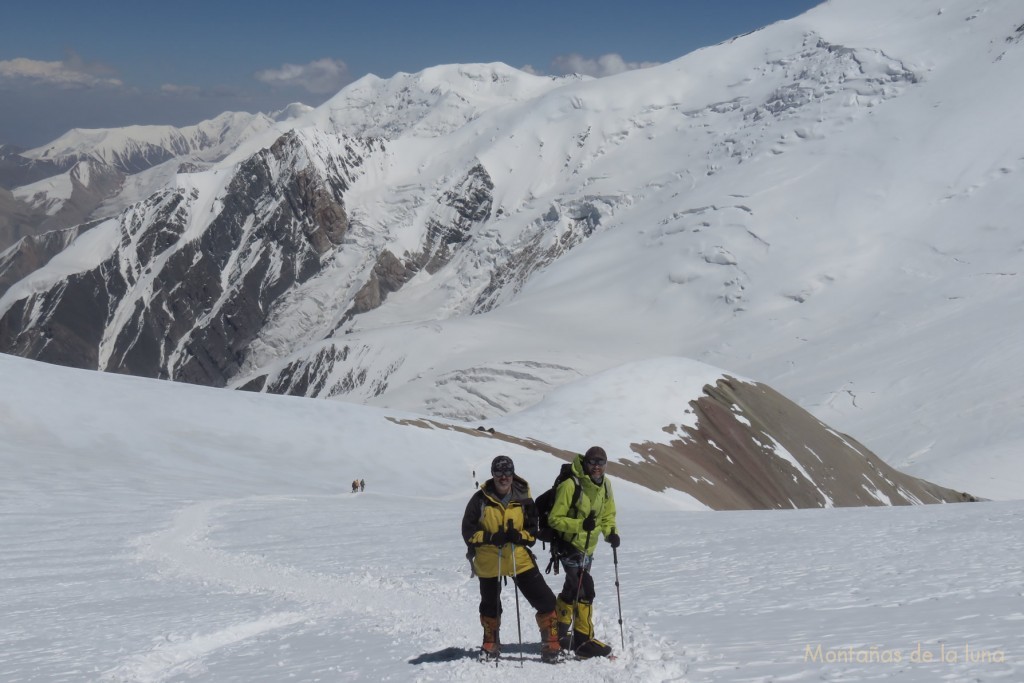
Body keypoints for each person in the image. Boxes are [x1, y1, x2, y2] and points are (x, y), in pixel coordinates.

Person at [461, 455, 561, 662]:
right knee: (490, 605)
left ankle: (550, 641)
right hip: (489, 561)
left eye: (507, 472)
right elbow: (468, 532)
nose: (504, 477)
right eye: (499, 472)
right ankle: (491, 641)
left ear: (513, 473)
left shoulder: (524, 499)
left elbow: (533, 532)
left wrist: (520, 536)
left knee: (545, 599)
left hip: (518, 558)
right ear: (493, 474)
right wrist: (489, 537)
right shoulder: (479, 500)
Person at [547, 446, 619, 658]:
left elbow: (608, 515)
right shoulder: (571, 485)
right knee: (584, 588)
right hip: (569, 546)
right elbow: (554, 519)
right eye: (592, 462)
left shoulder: (605, 485)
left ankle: (558, 633)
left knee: (572, 589)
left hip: (589, 548)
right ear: (585, 462)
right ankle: (583, 641)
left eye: (601, 462)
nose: (596, 466)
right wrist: (581, 525)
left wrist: (611, 533)